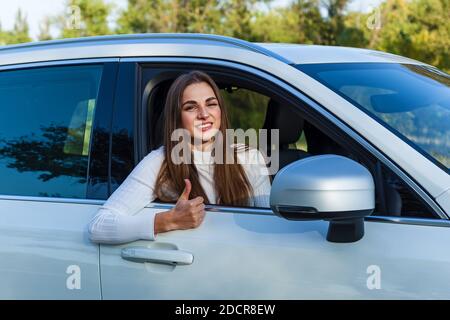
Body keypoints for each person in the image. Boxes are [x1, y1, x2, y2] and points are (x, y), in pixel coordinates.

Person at [88, 70, 271, 244]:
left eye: (211, 104)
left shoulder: (250, 157)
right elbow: (99, 226)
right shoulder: (161, 161)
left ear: (220, 109)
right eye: (191, 107)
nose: (204, 114)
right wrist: (169, 220)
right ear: (177, 116)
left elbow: (270, 226)